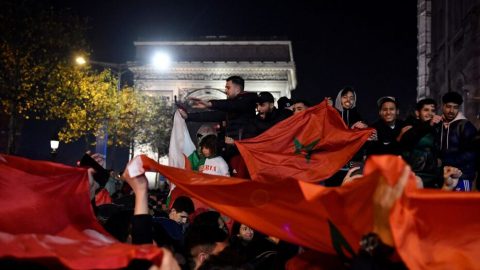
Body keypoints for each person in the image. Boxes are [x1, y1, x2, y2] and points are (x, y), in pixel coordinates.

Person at [179, 76, 257, 178]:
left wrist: (210, 103)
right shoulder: (231, 108)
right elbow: (212, 115)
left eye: (228, 87)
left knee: (239, 183)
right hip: (231, 151)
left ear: (237, 89)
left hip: (242, 153)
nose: (225, 91)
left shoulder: (247, 101)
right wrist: (188, 116)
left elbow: (233, 105)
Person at [398, 98, 443, 188]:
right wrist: (429, 124)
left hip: (432, 176)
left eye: (433, 110)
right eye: (426, 110)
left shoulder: (436, 127)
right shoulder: (409, 125)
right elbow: (407, 139)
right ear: (417, 113)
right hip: (414, 174)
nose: (430, 113)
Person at [438, 91, 477, 191]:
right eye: (448, 106)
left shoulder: (466, 126)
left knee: (460, 205)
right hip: (444, 176)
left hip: (462, 176)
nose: (451, 110)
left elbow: (472, 153)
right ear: (443, 106)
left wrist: (447, 162)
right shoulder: (439, 125)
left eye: (455, 107)